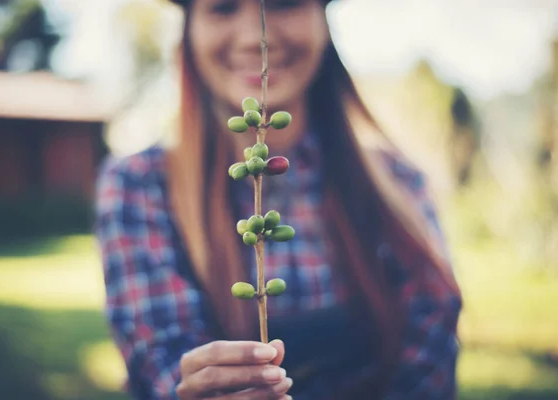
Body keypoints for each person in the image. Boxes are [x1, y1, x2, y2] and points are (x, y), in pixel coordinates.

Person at [94, 0, 463, 398]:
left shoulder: (399, 184)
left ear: (323, 21)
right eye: (223, 7)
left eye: (284, 2)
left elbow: (429, 357)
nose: (257, 38)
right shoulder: (138, 187)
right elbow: (159, 358)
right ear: (189, 30)